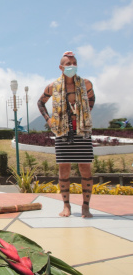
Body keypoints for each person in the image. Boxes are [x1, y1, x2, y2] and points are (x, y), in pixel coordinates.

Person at [37, 51, 95, 218]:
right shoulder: (53, 86)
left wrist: (85, 112)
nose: (72, 66)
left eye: (74, 63)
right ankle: (66, 206)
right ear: (61, 67)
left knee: (85, 169)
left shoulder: (86, 84)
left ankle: (85, 207)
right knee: (64, 170)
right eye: (68, 64)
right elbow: (40, 102)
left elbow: (92, 98)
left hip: (82, 131)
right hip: (62, 131)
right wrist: (48, 119)